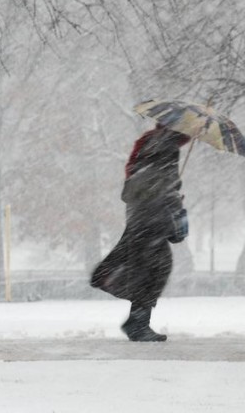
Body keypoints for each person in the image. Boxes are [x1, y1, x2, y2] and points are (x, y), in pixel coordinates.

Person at [91, 124, 191, 342]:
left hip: (140, 217)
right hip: (152, 218)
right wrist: (174, 203)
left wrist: (169, 193)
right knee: (155, 270)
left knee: (146, 270)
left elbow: (137, 185)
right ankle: (137, 323)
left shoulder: (149, 144)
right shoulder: (168, 147)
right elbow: (164, 184)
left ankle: (137, 322)